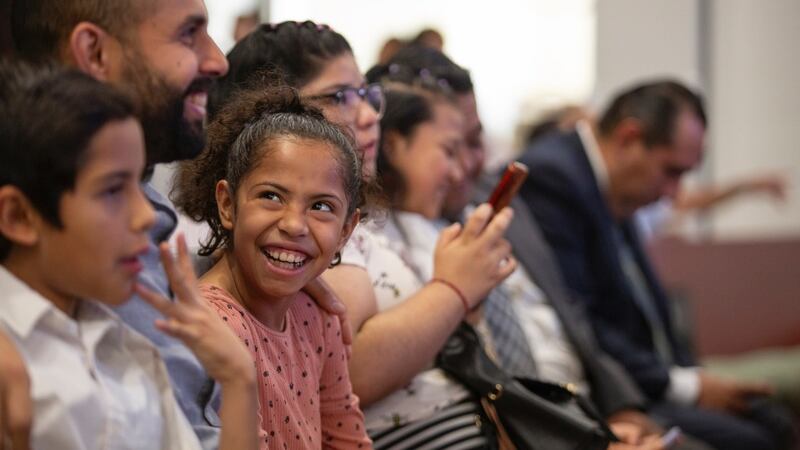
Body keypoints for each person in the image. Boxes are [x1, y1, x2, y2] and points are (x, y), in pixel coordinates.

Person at [9, 3, 351, 447]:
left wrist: (279, 272)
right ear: (93, 52)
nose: (218, 59)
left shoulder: (121, 336)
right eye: (188, 34)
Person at [369, 45, 715, 449]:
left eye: (476, 141)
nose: (469, 164)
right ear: (392, 144)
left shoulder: (495, 195)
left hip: (577, 409)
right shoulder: (385, 237)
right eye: (452, 147)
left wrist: (621, 408)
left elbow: (572, 315)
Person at [517, 79, 796, 450]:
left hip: (650, 377)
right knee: (754, 440)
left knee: (772, 421)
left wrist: (692, 377)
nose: (674, 193)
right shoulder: (553, 176)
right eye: (672, 171)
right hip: (611, 392)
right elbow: (580, 320)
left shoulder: (611, 178)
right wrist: (688, 386)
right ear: (630, 137)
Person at [0, 61, 258, 450]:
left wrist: (239, 380)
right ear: (19, 216)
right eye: (112, 191)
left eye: (139, 184)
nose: (145, 216)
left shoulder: (125, 344)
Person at [173, 86, 372, 449]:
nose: (294, 224)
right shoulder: (212, 327)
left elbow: (347, 440)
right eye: (271, 196)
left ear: (346, 230)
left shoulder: (317, 315)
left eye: (322, 206)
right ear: (227, 204)